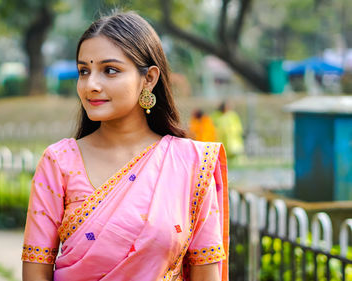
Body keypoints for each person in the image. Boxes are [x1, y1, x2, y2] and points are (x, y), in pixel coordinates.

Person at [22, 12, 229, 281]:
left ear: (149, 79)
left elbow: (205, 272)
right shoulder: (59, 162)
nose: (91, 85)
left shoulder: (190, 163)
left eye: (110, 70)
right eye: (84, 71)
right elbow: (35, 272)